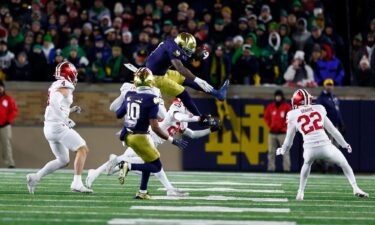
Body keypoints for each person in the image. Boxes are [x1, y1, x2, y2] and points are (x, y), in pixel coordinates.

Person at [86, 97, 219, 196]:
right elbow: (181, 116)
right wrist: (200, 118)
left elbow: (193, 134)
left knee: (135, 163)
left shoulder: (182, 121)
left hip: (148, 140)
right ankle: (168, 189)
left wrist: (210, 130)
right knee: (151, 167)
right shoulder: (175, 113)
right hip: (146, 137)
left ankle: (100, 172)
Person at [276, 89, 368, 200]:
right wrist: (345, 144)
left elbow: (289, 140)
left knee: (307, 164)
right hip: (326, 147)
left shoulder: (292, 115)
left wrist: (283, 150)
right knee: (344, 163)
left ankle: (300, 192)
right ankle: (355, 188)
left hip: (310, 149)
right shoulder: (319, 109)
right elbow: (333, 131)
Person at [114, 67, 189, 199]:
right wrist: (173, 140)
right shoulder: (152, 99)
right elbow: (155, 127)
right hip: (141, 137)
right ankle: (127, 165)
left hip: (127, 136)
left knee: (148, 161)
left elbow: (118, 114)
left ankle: (143, 191)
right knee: (155, 166)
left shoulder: (129, 95)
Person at [26, 61, 92, 194]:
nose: (75, 77)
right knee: (83, 149)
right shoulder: (64, 85)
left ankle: (35, 177)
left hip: (49, 127)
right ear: (69, 74)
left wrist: (70, 110)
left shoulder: (56, 85)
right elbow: (55, 101)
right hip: (58, 125)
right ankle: (77, 183)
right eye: (74, 74)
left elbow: (57, 105)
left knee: (63, 160)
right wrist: (65, 118)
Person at [145, 32, 229, 119]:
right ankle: (200, 118)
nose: (188, 52)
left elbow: (182, 59)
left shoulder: (175, 44)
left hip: (161, 72)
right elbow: (180, 68)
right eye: (187, 50)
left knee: (187, 79)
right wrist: (197, 79)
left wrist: (194, 57)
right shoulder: (173, 48)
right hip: (155, 78)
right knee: (183, 93)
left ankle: (218, 94)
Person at [264, 90, 292, 172]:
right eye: (276, 96)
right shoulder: (271, 106)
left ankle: (287, 169)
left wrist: (284, 127)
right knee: (271, 152)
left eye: (279, 96)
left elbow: (290, 119)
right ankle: (271, 168)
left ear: (282, 97)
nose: (278, 98)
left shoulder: (286, 106)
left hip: (282, 134)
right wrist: (270, 125)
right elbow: (266, 117)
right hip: (272, 133)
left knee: (285, 152)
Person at [0, 80, 18, 168]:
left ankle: (10, 163)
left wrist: (8, 120)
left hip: (5, 126)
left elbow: (14, 110)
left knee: (6, 145)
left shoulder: (8, 99)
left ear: (3, 88)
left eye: (1, 86)